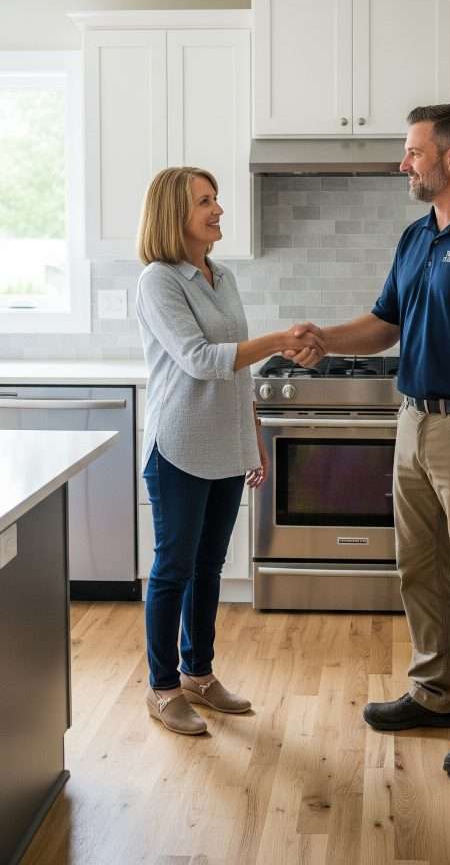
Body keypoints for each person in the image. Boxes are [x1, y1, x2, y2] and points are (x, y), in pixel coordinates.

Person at [287, 104, 450, 780]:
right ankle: (436, 695)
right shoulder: (416, 237)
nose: (405, 164)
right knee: (420, 570)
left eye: (414, 153)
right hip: (412, 423)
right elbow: (384, 323)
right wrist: (326, 340)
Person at [135, 166, 324, 735]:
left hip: (224, 441)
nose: (218, 210)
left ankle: (198, 673)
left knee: (209, 568)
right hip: (180, 445)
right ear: (175, 214)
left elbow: (236, 376)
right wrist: (277, 342)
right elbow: (201, 359)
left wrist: (254, 436)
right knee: (173, 569)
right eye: (205, 202)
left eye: (215, 200)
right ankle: (162, 687)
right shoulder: (158, 281)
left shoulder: (222, 276)